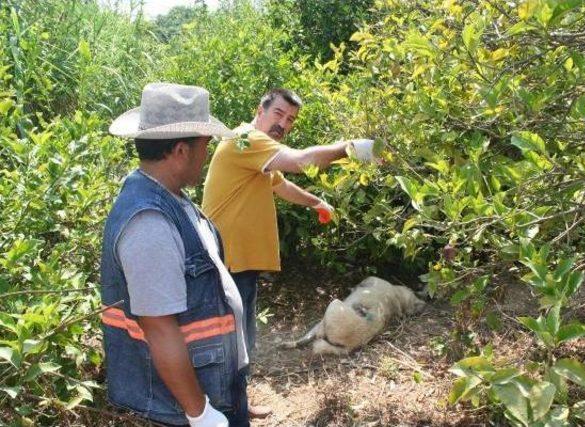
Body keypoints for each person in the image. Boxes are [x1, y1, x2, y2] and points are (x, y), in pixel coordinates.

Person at [201, 88, 379, 418]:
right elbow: (300, 161)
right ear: (261, 109)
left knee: (239, 340)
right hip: (227, 262)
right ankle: (225, 415)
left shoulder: (256, 152)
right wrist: (349, 148)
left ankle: (237, 405)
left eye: (290, 120)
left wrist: (316, 203)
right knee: (229, 344)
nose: (283, 124)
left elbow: (279, 185)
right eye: (278, 114)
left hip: (240, 263)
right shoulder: (244, 139)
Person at [101, 82, 250, 426]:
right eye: (204, 146)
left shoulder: (174, 200)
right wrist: (200, 413)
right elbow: (159, 328)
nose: (206, 155)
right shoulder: (149, 221)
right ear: (182, 150)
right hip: (181, 408)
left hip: (212, 388)